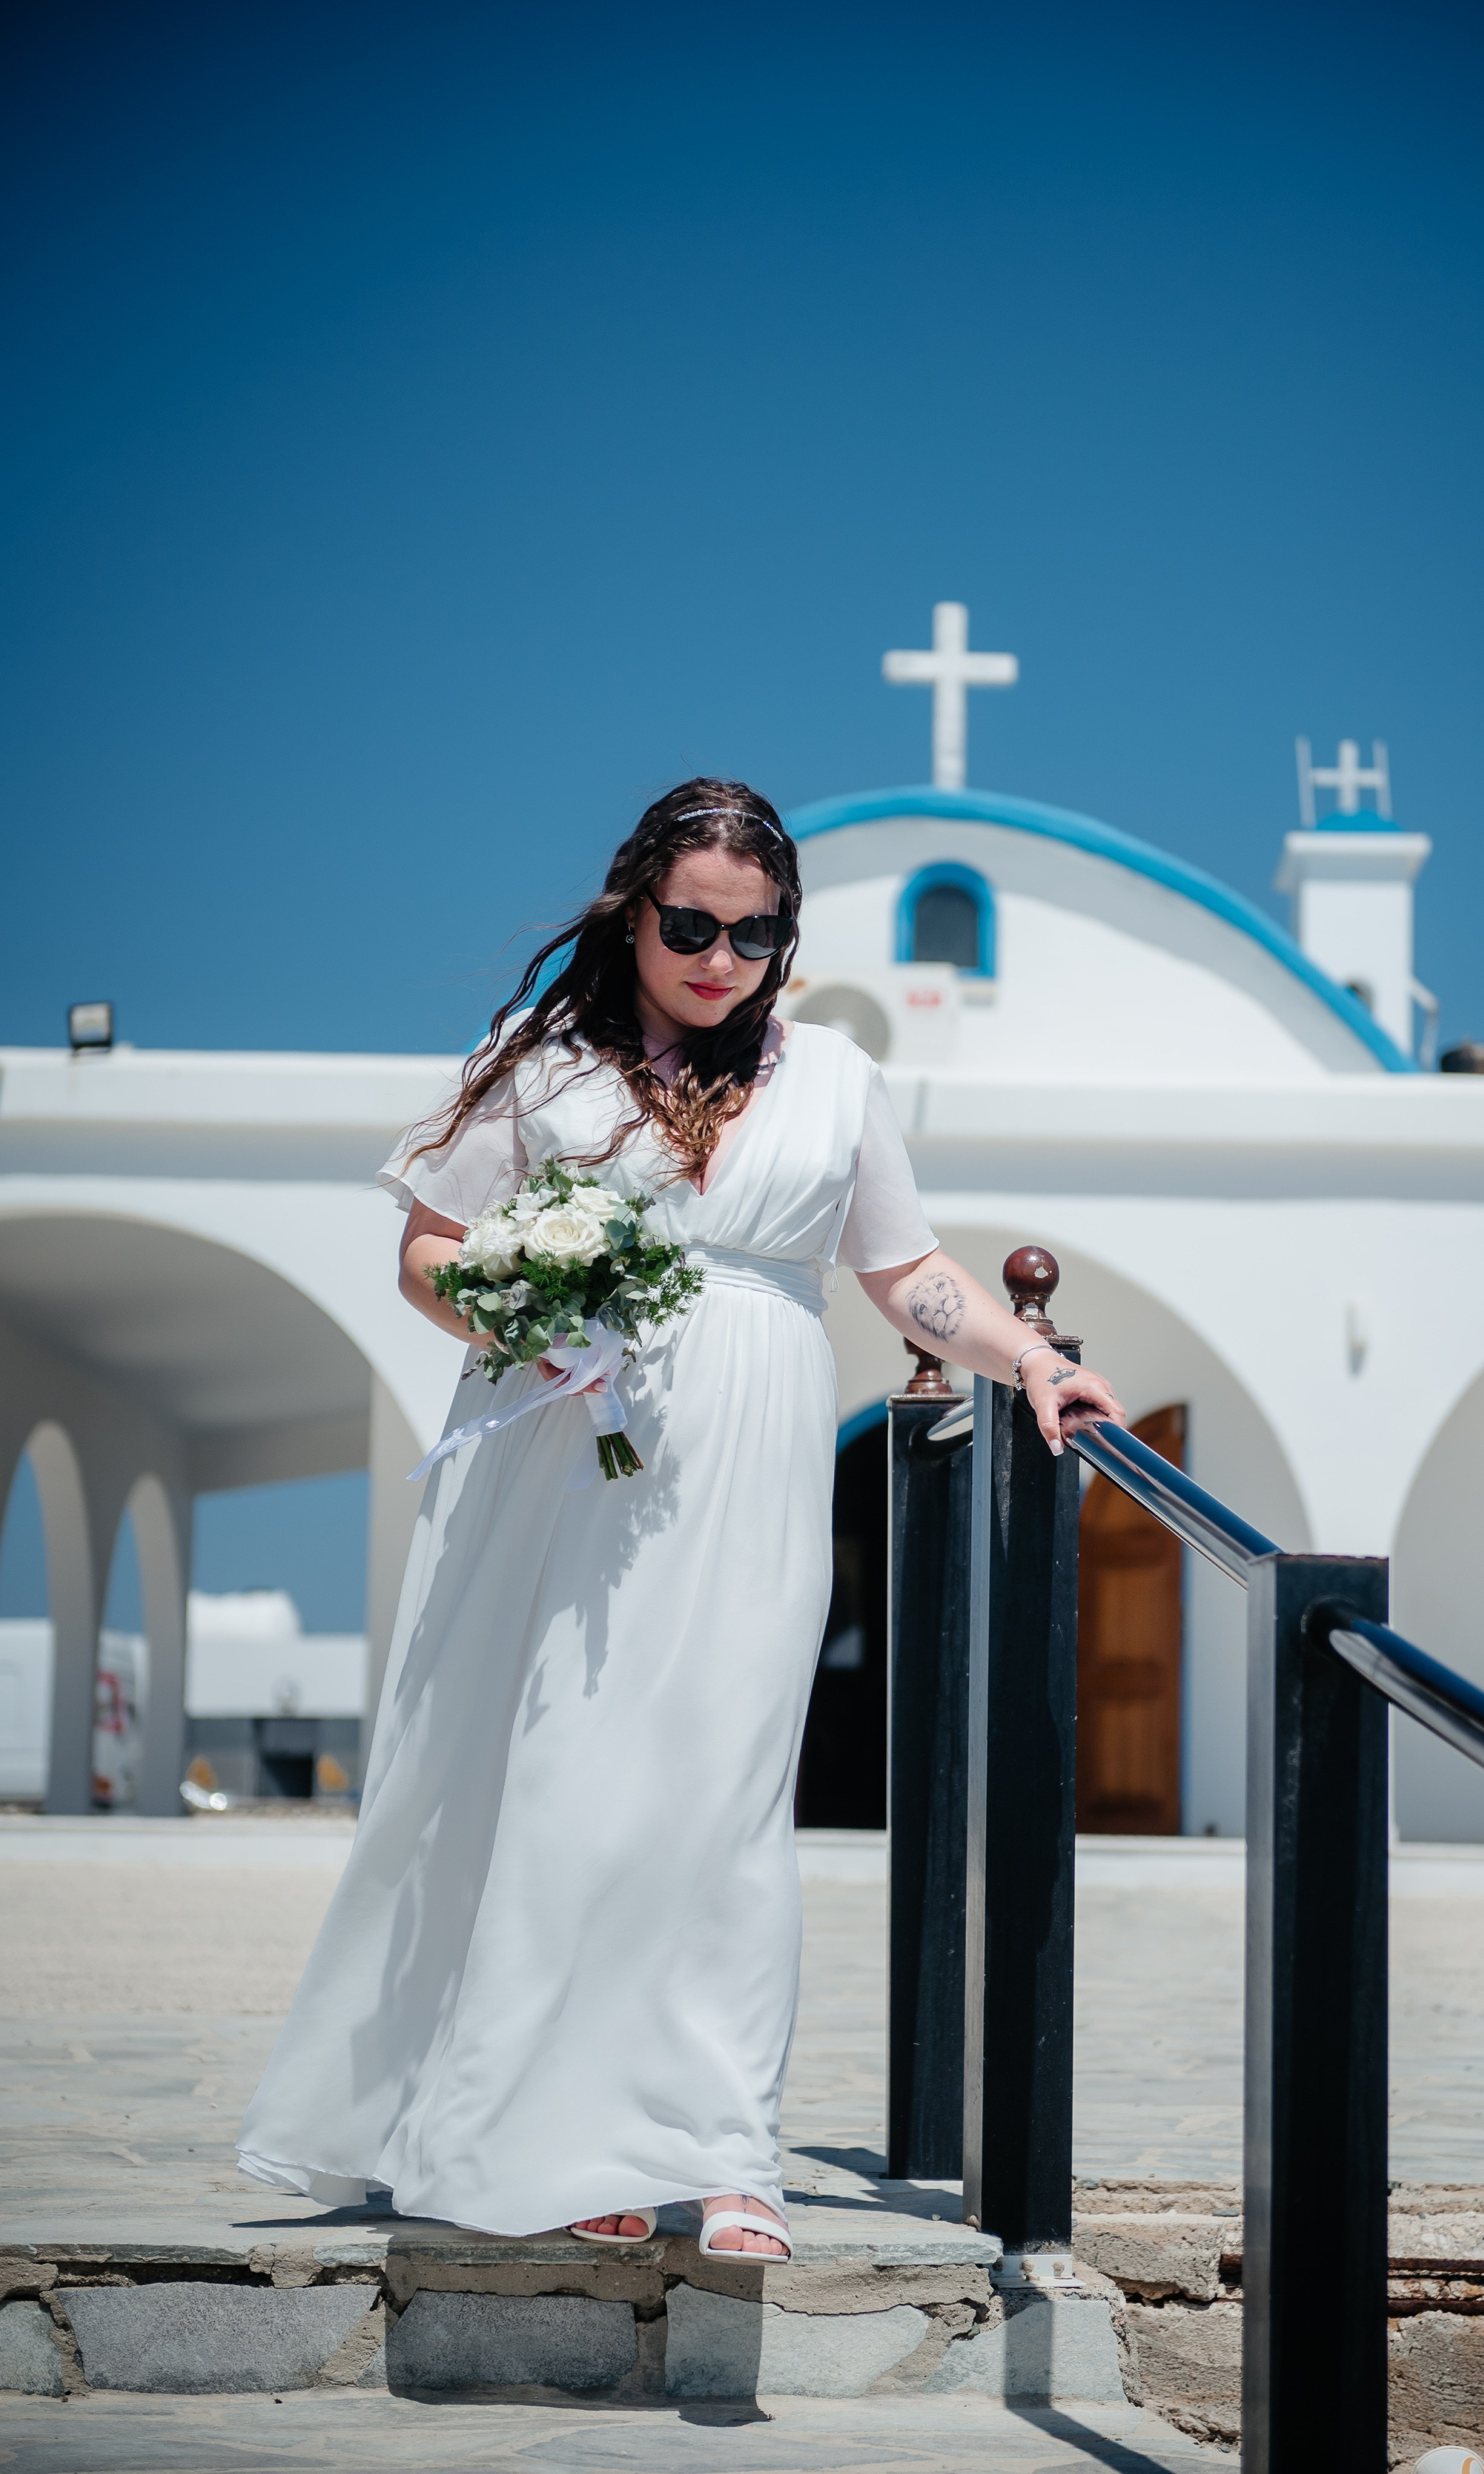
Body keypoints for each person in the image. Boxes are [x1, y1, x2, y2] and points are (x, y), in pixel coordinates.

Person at [237, 777, 1124, 2258]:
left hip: (752, 1455)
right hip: (571, 1459)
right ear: (632, 910)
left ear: (788, 935)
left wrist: (1031, 1355)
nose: (721, 954)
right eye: (690, 924)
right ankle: (569, 2134)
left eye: (756, 930)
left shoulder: (833, 1074)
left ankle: (724, 2156)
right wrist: (529, 1300)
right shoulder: (544, 1066)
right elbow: (428, 1251)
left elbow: (901, 1271)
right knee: (573, 1779)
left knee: (723, 1792)